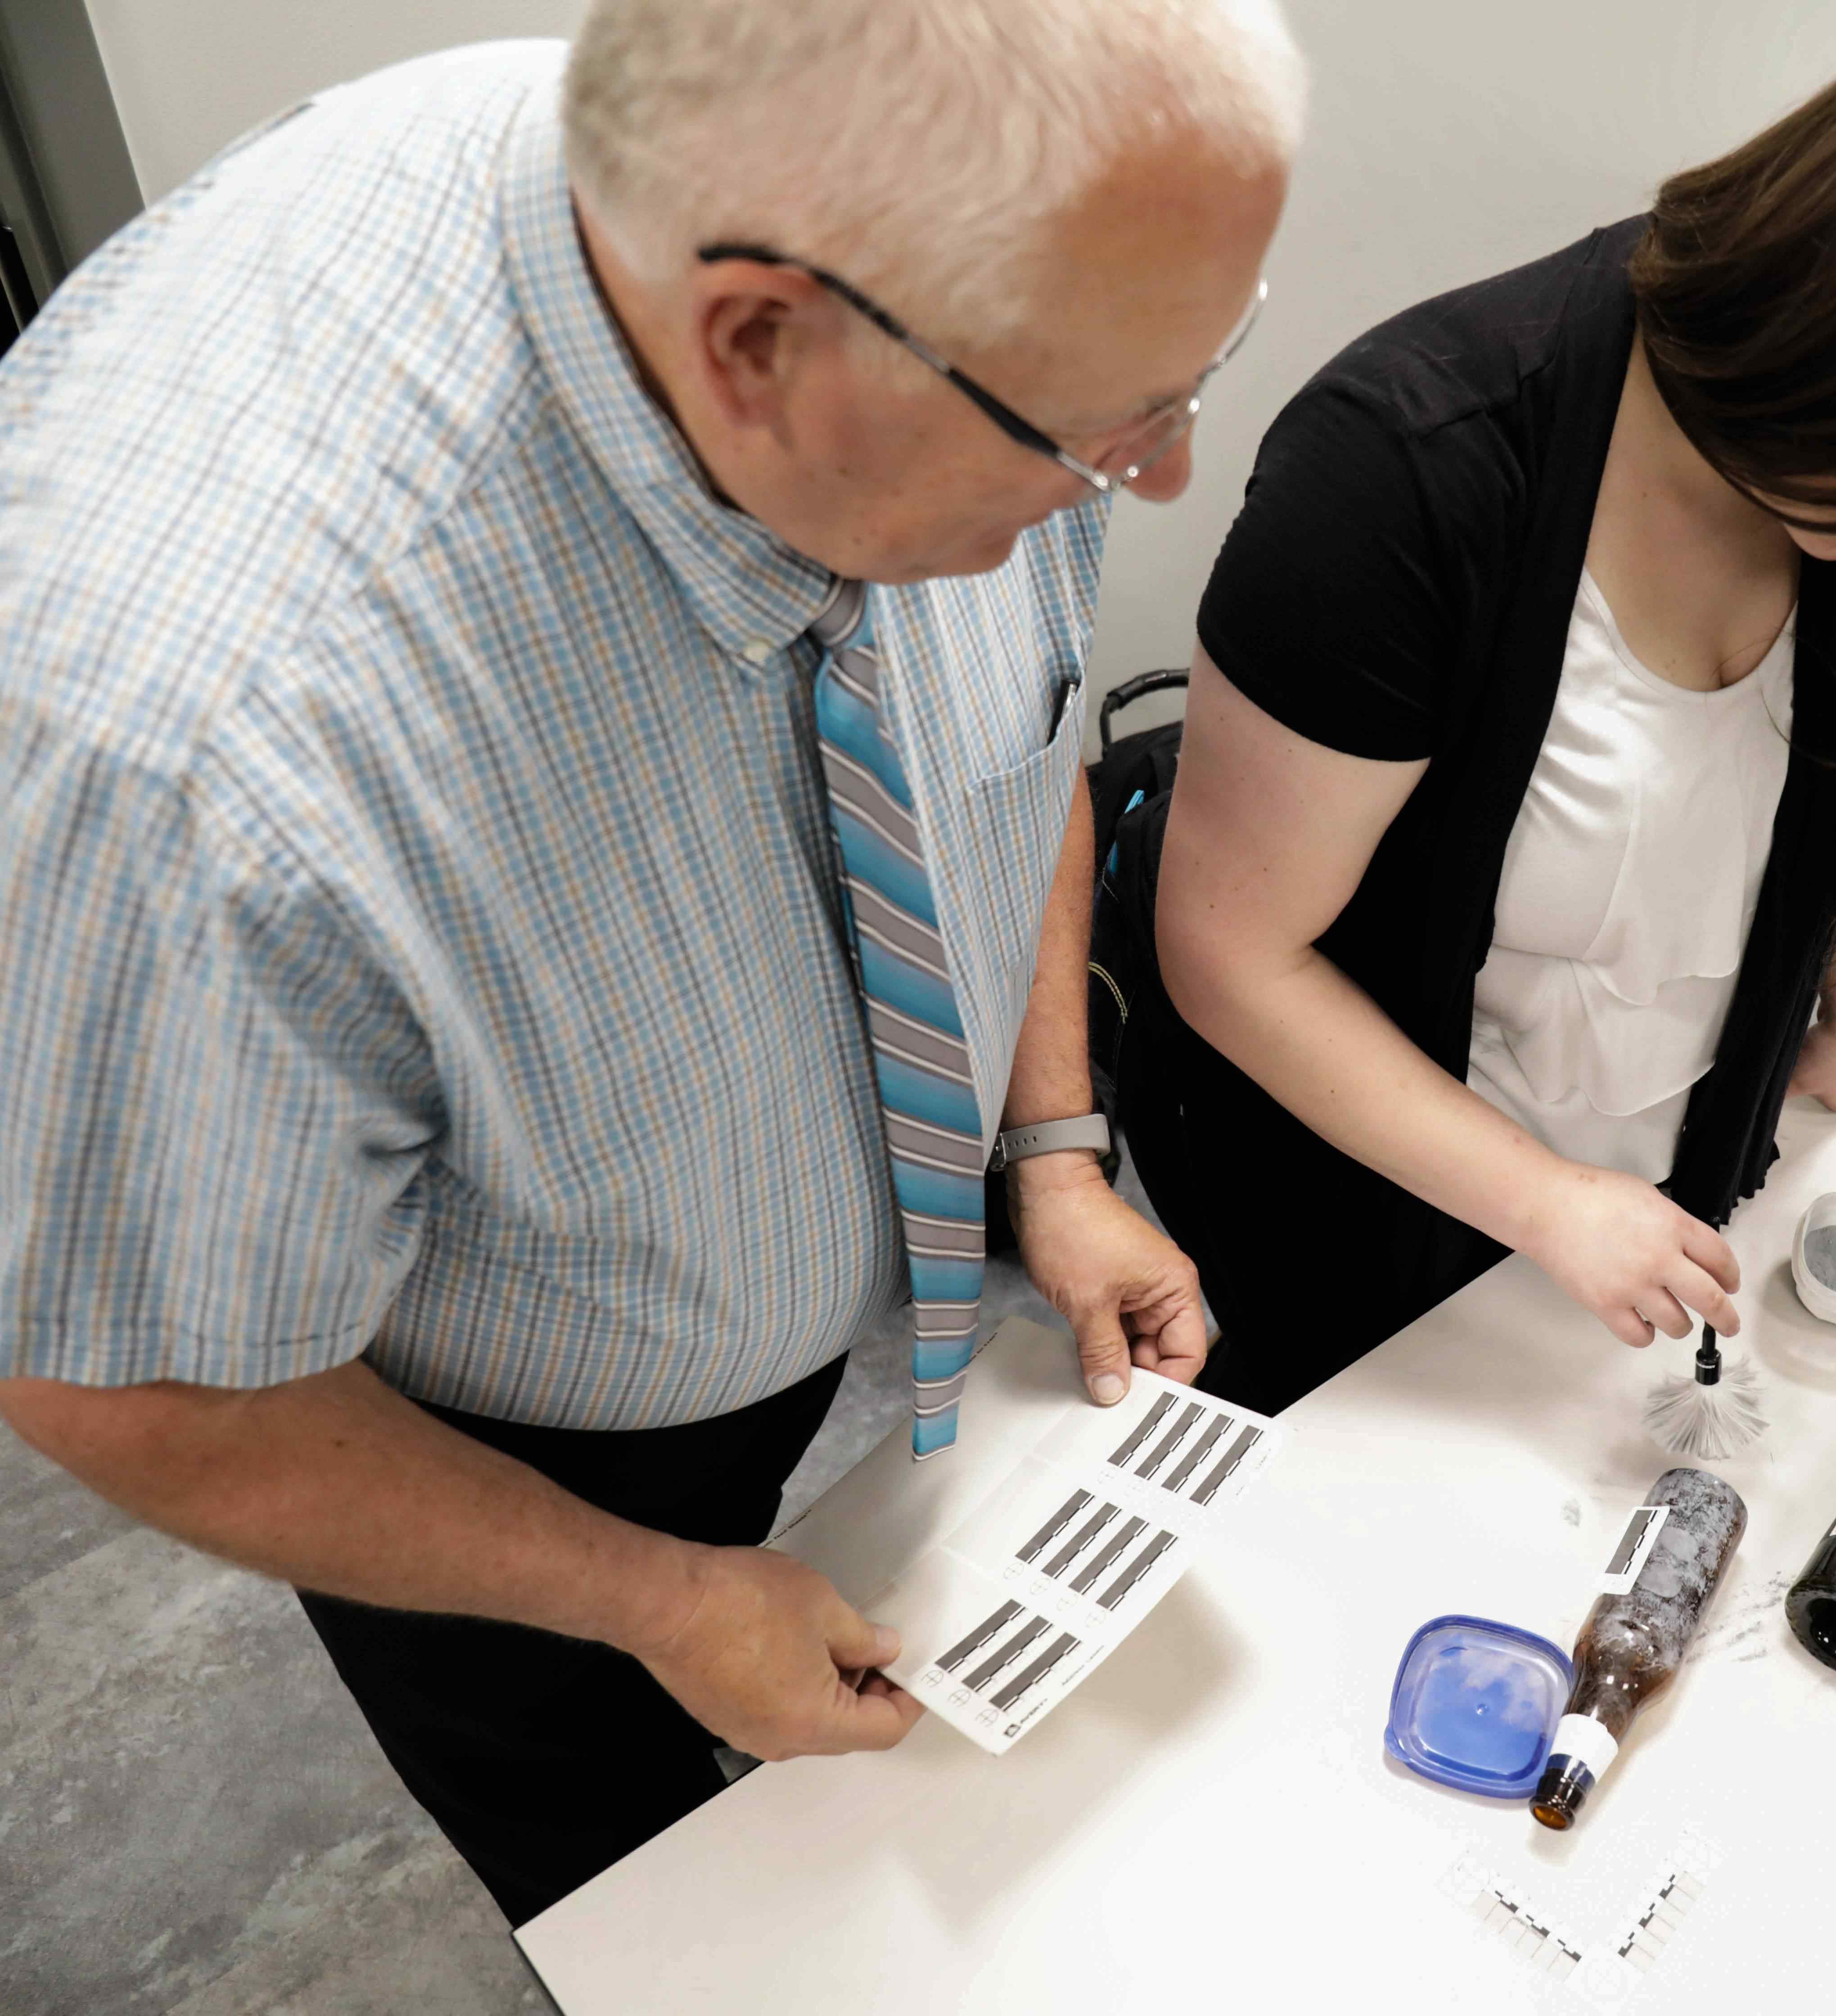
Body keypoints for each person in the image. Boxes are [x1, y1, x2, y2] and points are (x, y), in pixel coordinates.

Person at [0, 0, 1300, 1925]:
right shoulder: (188, 757)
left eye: (1194, 380)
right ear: (757, 343)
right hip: (487, 1433)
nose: (1164, 474)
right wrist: (657, 1597)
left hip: (782, 1255)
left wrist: (1047, 1143)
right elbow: (138, 1380)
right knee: (627, 1864)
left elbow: (1011, 745)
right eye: (1111, 427)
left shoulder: (955, 304)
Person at [1115, 25, 1836, 1417]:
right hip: (1368, 1211)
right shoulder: (1404, 475)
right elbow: (1230, 954)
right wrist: (1547, 1202)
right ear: (1829, 348)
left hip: (1640, 1207)